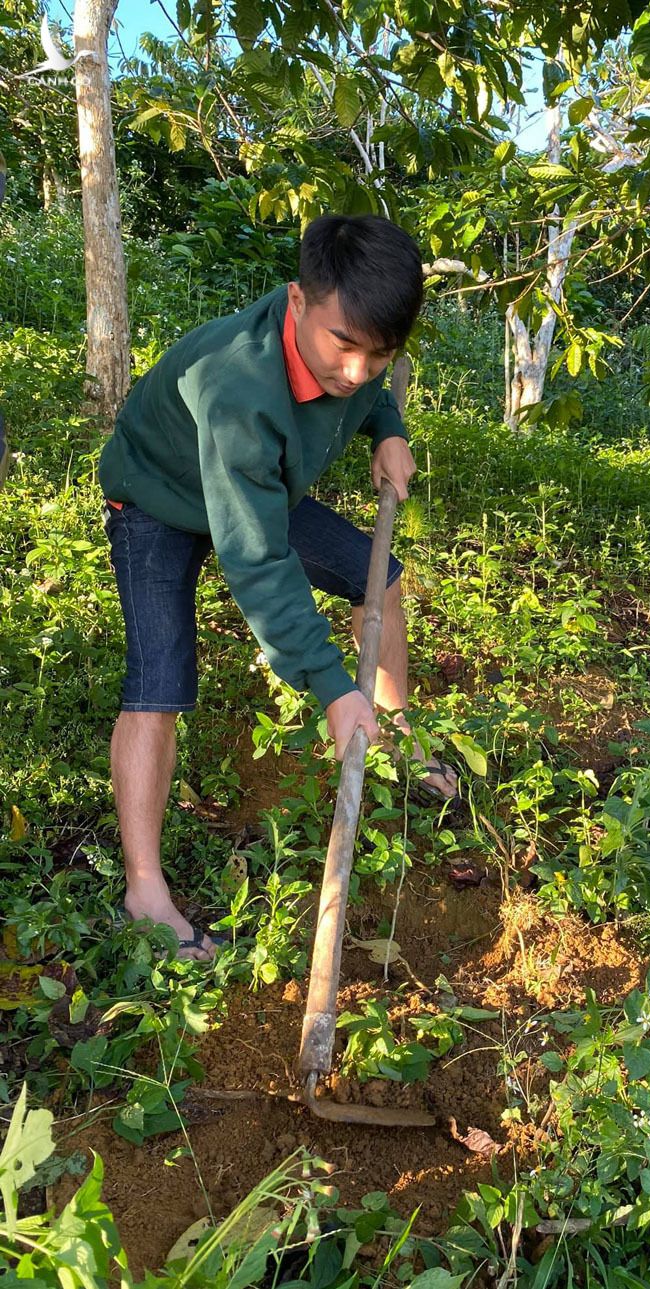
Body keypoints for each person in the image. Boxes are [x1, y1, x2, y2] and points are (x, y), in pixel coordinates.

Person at [99, 213, 457, 961]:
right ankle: (144, 891)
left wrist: (388, 426)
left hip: (255, 488)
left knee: (380, 579)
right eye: (345, 347)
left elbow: (370, 388)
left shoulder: (350, 349)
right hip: (159, 497)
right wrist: (330, 685)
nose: (357, 370)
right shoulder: (239, 387)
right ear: (297, 302)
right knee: (158, 685)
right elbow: (256, 560)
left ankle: (392, 735)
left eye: (380, 353)